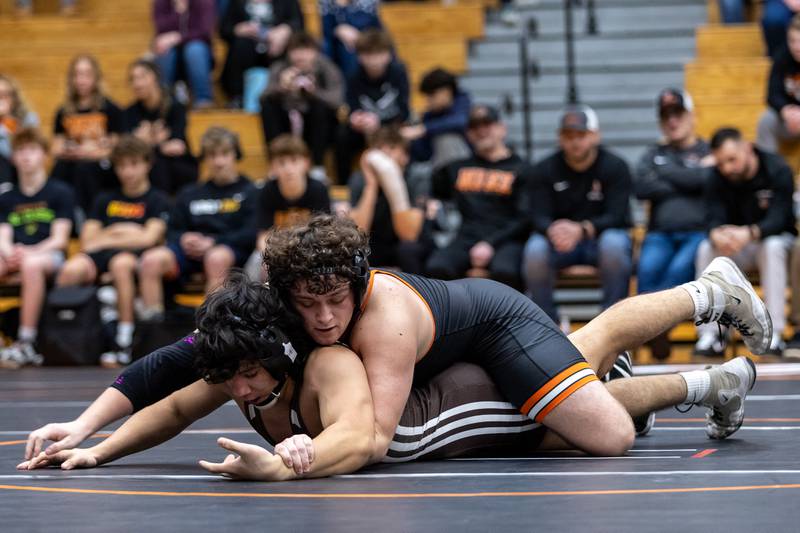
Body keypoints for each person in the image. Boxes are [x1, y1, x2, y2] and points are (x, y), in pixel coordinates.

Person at [21, 214, 767, 465]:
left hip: (495, 322)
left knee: (600, 427)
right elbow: (175, 371)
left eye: (333, 302)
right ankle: (706, 366)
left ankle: (708, 292)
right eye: (306, 305)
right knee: (582, 368)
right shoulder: (285, 314)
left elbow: (374, 438)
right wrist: (87, 428)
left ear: (356, 283)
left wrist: (295, 461)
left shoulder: (377, 321)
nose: (320, 321)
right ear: (287, 296)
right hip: (453, 355)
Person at [19, 271, 543, 476]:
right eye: (229, 379)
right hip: (447, 397)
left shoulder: (325, 359)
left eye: (247, 374)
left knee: (588, 398)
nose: (238, 390)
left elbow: (363, 439)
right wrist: (94, 445)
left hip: (469, 383)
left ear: (277, 356)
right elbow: (172, 399)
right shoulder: (239, 359)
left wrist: (284, 466)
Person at [54, 136, 171, 367]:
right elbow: (88, 242)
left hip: (132, 260)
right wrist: (128, 230)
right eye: (122, 165)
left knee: (121, 263)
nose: (127, 171)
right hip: (101, 258)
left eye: (134, 164)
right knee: (70, 270)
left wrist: (110, 233)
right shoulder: (104, 199)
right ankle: (70, 338)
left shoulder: (158, 200)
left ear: (147, 164)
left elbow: (149, 238)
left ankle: (123, 339)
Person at [523, 104, 633, 323]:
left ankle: (611, 324)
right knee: (534, 250)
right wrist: (553, 230)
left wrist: (581, 230)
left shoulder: (616, 166)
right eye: (568, 135)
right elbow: (536, 216)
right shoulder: (544, 169)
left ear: (595, 136)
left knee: (615, 244)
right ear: (559, 138)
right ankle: (548, 324)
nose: (575, 141)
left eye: (581, 135)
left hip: (599, 241)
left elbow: (618, 216)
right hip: (560, 243)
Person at [137, 126, 258, 320]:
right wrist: (184, 238)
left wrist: (214, 242)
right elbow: (172, 230)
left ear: (235, 155)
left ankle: (205, 328)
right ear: (205, 159)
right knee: (150, 261)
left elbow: (251, 233)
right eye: (212, 155)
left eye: (224, 154)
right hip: (189, 253)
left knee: (216, 258)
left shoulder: (251, 191)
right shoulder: (190, 193)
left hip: (228, 251)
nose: (218, 162)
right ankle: (153, 329)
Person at [694, 127, 795, 357]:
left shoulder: (777, 169)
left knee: (773, 247)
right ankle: (711, 335)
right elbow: (710, 217)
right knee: (705, 248)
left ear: (748, 148)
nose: (727, 168)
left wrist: (749, 233)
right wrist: (716, 234)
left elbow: (781, 218)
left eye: (732, 160)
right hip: (735, 245)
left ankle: (773, 334)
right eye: (721, 163)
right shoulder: (716, 176)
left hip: (774, 241)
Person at [634, 89, 713, 359]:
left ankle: (658, 330)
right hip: (660, 233)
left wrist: (665, 173)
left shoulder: (709, 149)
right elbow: (641, 186)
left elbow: (708, 181)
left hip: (697, 234)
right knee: (646, 270)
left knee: (678, 271)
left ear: (691, 116)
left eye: (677, 114)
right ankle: (654, 331)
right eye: (666, 116)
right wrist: (690, 176)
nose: (672, 121)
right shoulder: (652, 153)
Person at [425, 105, 528, 289]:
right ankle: (455, 317)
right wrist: (429, 202)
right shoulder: (456, 168)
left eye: (487, 124)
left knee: (506, 272)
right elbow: (430, 191)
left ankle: (506, 318)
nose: (481, 131)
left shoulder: (522, 169)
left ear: (501, 128)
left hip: (507, 239)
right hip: (466, 237)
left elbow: (525, 219)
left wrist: (490, 243)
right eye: (474, 127)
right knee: (437, 267)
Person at [0, 129, 75, 368]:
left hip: (48, 257)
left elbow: (60, 239)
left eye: (32, 150)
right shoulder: (7, 197)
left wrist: (28, 253)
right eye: (20, 150)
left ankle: (27, 342)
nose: (25, 156)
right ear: (13, 157)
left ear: (44, 155)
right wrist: (10, 252)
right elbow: (3, 235)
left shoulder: (60, 191)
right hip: (17, 254)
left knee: (31, 265)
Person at [348, 126, 432, 273]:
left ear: (406, 156)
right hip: (377, 243)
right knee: (354, 251)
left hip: (411, 244)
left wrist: (392, 180)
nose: (385, 153)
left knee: (407, 250)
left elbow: (408, 234)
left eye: (392, 148)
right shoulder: (359, 179)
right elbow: (358, 233)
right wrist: (371, 186)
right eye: (379, 149)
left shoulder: (417, 178)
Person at [259, 31, 343, 176]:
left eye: (306, 50)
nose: (301, 56)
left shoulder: (327, 68)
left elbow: (337, 100)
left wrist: (313, 92)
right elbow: (263, 97)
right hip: (286, 123)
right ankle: (276, 163)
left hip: (316, 127)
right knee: (268, 107)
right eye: (296, 50)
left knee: (321, 108)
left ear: (315, 52)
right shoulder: (279, 67)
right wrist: (282, 87)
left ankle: (318, 167)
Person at [50, 54, 124, 212]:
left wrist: (90, 152)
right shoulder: (64, 111)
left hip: (100, 164)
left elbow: (117, 148)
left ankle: (89, 215)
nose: (81, 80)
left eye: (86, 74)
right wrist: (72, 151)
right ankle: (62, 215)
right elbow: (55, 148)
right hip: (73, 160)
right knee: (59, 169)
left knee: (84, 169)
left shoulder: (110, 108)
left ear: (96, 77)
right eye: (77, 74)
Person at [336, 29, 410, 183]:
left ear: (389, 55)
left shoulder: (399, 72)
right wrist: (355, 118)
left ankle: (405, 179)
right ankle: (344, 183)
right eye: (368, 55)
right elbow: (352, 106)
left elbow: (404, 110)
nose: (374, 60)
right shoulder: (353, 76)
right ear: (359, 57)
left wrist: (380, 122)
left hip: (392, 124)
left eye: (379, 54)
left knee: (405, 137)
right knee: (341, 136)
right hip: (364, 127)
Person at [124, 59, 198, 195]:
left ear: (155, 77)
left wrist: (146, 142)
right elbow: (130, 148)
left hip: (179, 165)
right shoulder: (130, 112)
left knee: (161, 165)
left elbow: (177, 146)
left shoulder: (175, 107)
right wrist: (158, 142)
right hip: (149, 165)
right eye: (133, 79)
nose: (137, 84)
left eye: (142, 77)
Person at [219, 0, 304, 107]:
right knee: (242, 45)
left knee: (289, 51)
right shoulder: (237, 2)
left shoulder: (287, 2)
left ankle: (281, 95)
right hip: (246, 53)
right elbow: (224, 30)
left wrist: (285, 30)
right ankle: (238, 96)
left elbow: (299, 25)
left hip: (277, 51)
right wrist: (239, 29)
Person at [254, 134, 330, 254]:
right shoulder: (267, 191)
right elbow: (263, 237)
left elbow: (323, 233)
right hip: (277, 251)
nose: (288, 169)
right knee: (261, 262)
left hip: (310, 249)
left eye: (294, 161)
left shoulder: (318, 189)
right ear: (272, 166)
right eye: (281, 163)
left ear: (306, 163)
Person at [404, 68, 471, 170]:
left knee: (446, 138)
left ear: (446, 92)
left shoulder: (464, 105)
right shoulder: (431, 115)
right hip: (437, 169)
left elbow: (460, 122)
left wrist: (423, 129)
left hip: (468, 166)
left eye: (431, 95)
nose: (428, 101)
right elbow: (423, 154)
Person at [152, 0, 216, 108]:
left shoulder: (204, 2)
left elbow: (204, 32)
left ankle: (203, 100)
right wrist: (178, 14)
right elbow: (161, 29)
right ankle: (164, 100)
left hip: (198, 53)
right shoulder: (161, 3)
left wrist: (179, 37)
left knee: (194, 50)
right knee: (164, 51)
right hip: (172, 53)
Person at [757, 14, 800, 154]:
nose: (796, 47)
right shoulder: (782, 56)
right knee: (766, 121)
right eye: (792, 41)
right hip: (789, 118)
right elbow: (771, 93)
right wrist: (785, 110)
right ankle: (769, 170)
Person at [319, 0, 382, 78]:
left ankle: (352, 84)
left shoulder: (368, 2)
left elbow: (375, 27)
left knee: (350, 50)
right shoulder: (326, 2)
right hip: (336, 42)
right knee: (328, 46)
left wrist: (359, 37)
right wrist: (337, 30)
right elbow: (326, 30)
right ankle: (329, 80)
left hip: (366, 38)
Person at [0, 74, 38, 183]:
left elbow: (15, 151)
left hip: (22, 165)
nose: (1, 99)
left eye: (5, 95)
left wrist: (6, 120)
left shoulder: (28, 118)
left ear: (14, 97)